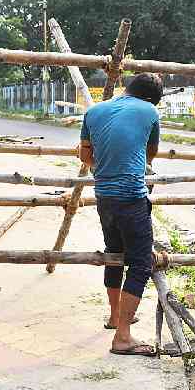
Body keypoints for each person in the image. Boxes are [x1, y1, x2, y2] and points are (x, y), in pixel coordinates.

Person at [79, 72, 162, 357]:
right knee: (140, 264)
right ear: (152, 99)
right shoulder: (149, 111)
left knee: (114, 253)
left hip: (104, 198)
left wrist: (105, 166)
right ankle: (123, 337)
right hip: (131, 198)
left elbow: (85, 156)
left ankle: (115, 316)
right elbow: (150, 155)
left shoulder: (94, 111)